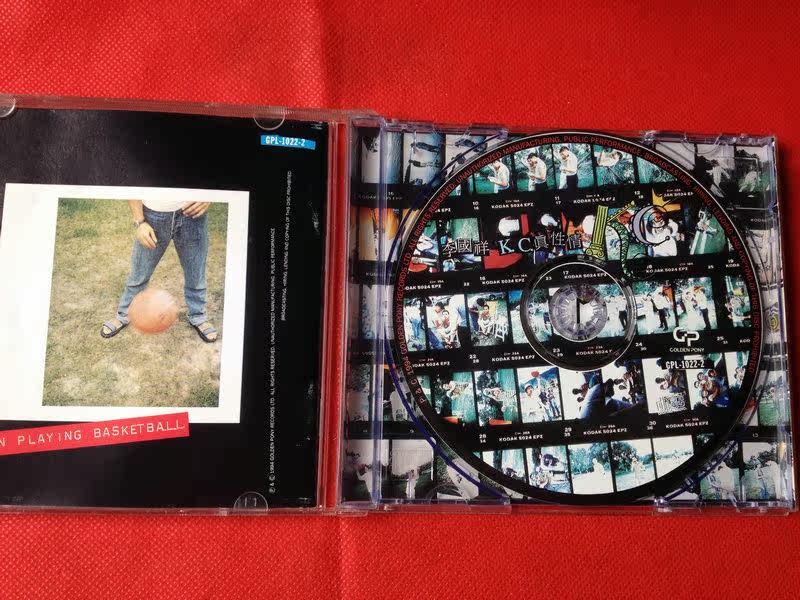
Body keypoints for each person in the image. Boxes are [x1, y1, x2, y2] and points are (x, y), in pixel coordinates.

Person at [100, 199, 218, 342]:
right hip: (153, 217)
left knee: (195, 272)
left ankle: (198, 316)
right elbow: (133, 187)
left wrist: (208, 198)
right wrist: (140, 222)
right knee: (139, 274)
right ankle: (124, 315)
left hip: (193, 215)